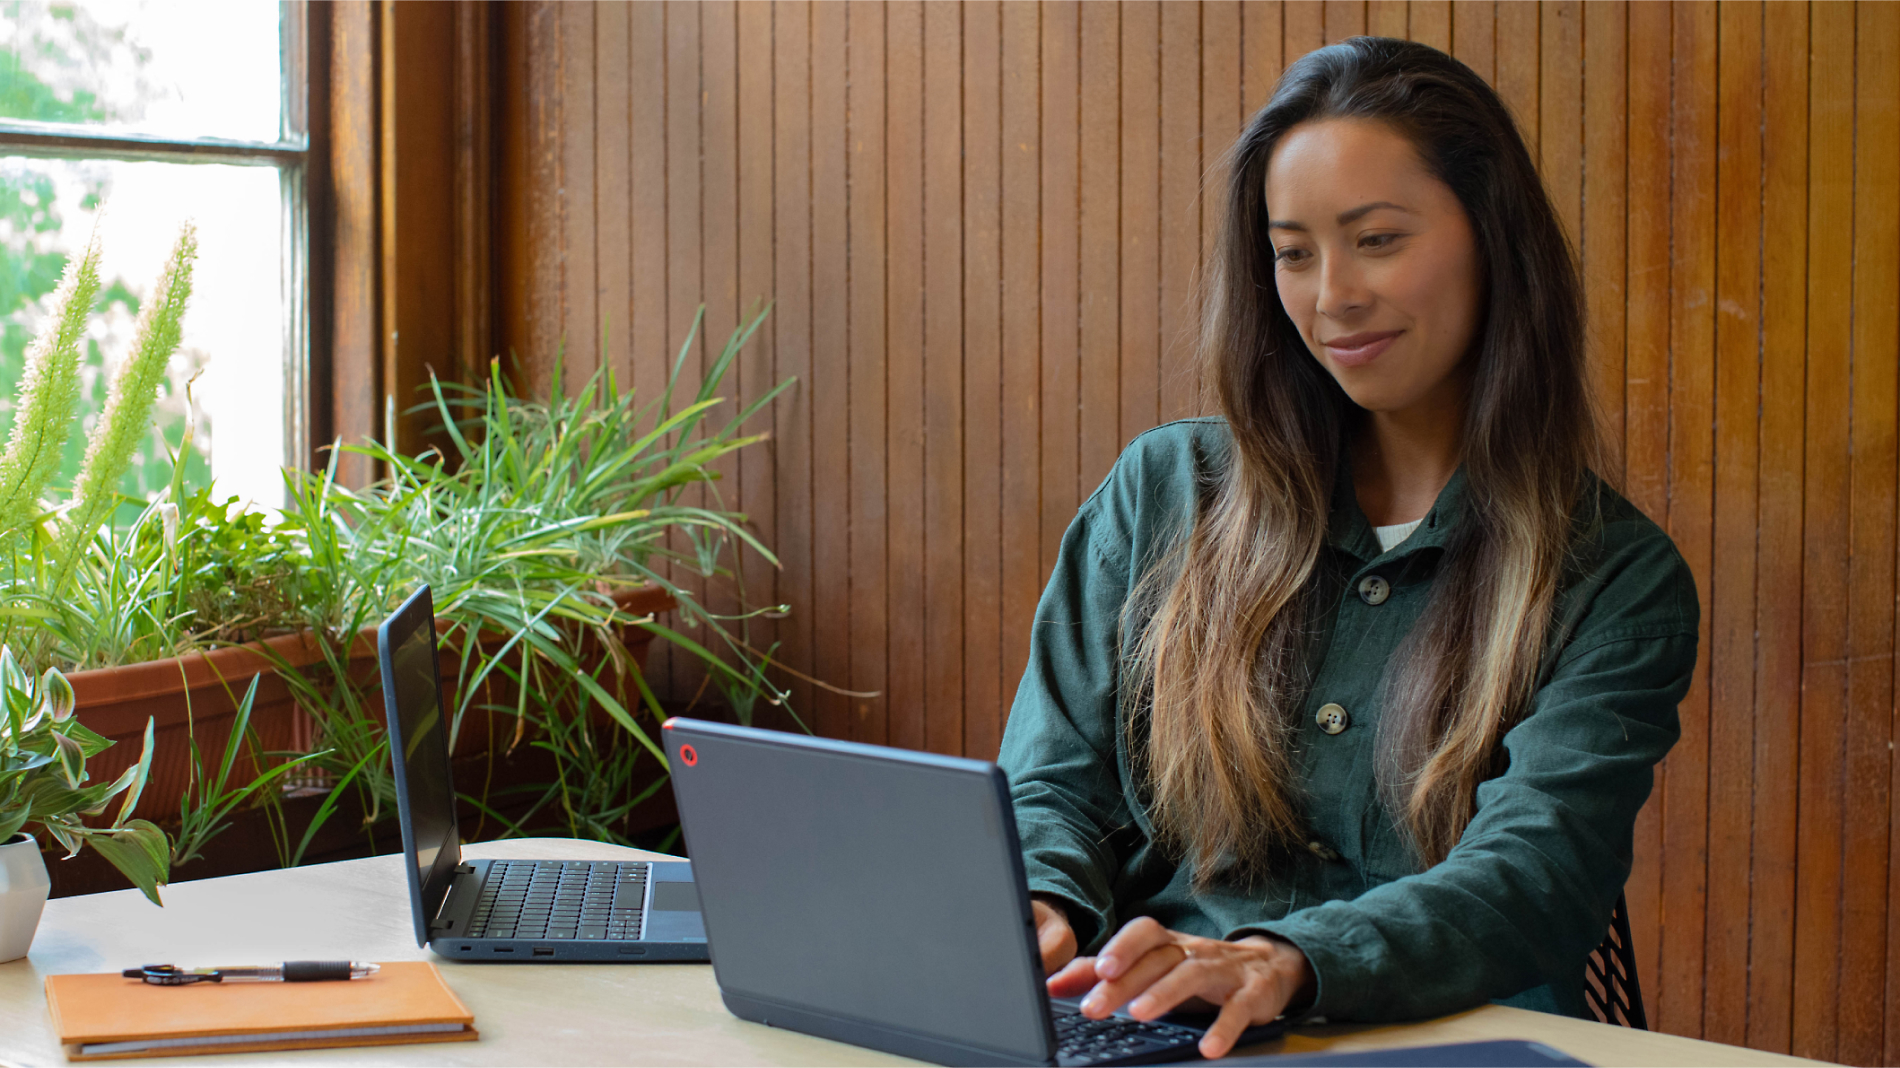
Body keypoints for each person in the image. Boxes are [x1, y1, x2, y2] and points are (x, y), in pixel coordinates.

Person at [995, 36, 1697, 1060]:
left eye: (1375, 240)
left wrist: (1286, 958)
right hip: (1144, 1028)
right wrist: (1041, 901)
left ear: (1490, 240)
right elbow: (1050, 781)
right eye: (1292, 252)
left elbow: (1533, 874)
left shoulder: (1614, 578)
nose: (1331, 297)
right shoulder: (1163, 493)